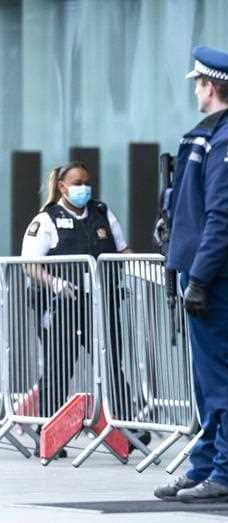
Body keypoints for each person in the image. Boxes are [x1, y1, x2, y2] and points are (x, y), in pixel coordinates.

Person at [153, 46, 228, 503]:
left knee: (221, 375)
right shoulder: (210, 133)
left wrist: (199, 276)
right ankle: (206, 465)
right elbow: (192, 205)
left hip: (215, 273)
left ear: (210, 85)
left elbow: (223, 216)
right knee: (207, 377)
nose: (196, 89)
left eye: (198, 82)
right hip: (202, 268)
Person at [21, 161, 146, 457]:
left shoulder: (101, 213)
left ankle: (125, 425)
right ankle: (46, 428)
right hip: (61, 305)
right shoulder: (46, 219)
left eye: (86, 182)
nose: (84, 188)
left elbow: (122, 250)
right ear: (62, 187)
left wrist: (142, 269)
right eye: (77, 183)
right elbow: (30, 265)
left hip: (102, 303)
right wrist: (55, 284)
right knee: (58, 366)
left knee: (112, 364)